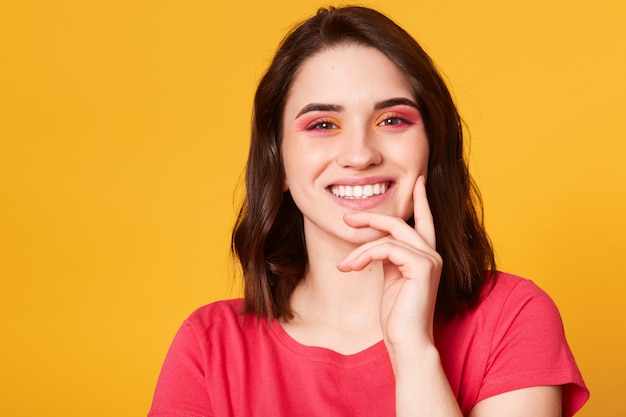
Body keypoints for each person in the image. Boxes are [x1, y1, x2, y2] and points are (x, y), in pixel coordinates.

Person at [148, 6, 588, 417]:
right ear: (277, 161)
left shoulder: (513, 317)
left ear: (433, 146)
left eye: (392, 120)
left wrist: (413, 351)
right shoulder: (209, 347)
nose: (359, 155)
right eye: (323, 125)